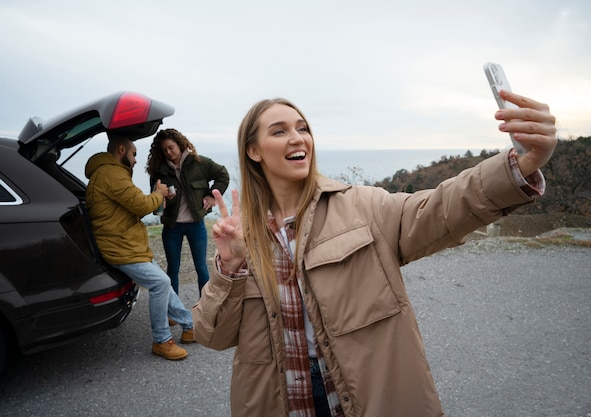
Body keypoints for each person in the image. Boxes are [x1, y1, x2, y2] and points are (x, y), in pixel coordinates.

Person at [192, 90, 557, 416]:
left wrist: (520, 165)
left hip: (361, 395)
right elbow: (213, 335)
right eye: (279, 130)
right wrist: (230, 266)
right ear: (253, 151)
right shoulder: (244, 235)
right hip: (281, 400)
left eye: (303, 128)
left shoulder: (363, 207)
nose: (298, 137)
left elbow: (442, 207)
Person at [85, 134, 195, 361]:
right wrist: (159, 194)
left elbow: (131, 203)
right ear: (122, 151)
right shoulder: (111, 173)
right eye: (134, 154)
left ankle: (189, 325)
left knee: (162, 282)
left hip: (126, 244)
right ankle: (162, 340)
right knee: (160, 283)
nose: (135, 161)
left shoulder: (108, 173)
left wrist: (154, 197)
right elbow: (141, 205)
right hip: (119, 247)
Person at [145, 128, 230, 298]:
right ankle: (174, 311)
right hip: (171, 226)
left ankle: (206, 307)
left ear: (180, 144)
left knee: (201, 267)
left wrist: (213, 195)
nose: (169, 152)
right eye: (164, 150)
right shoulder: (159, 171)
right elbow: (156, 201)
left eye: (171, 147)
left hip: (195, 224)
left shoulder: (199, 163)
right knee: (172, 268)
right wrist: (163, 196)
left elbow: (223, 175)